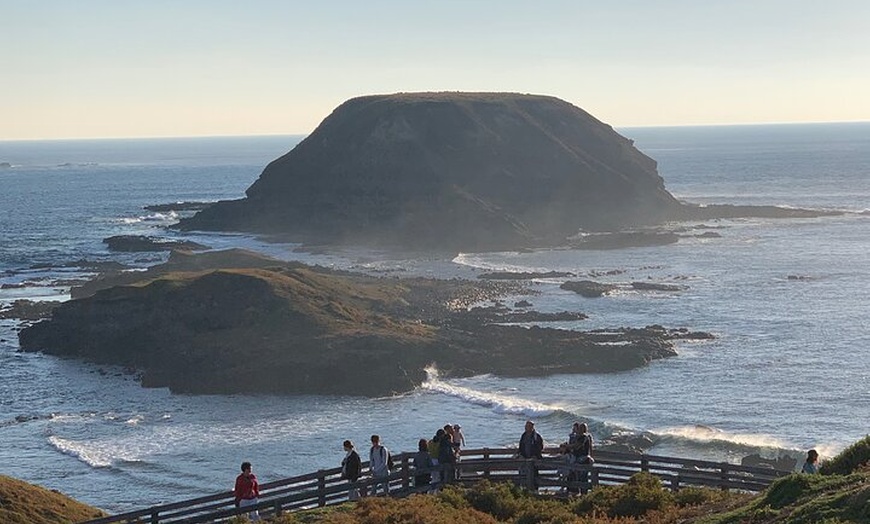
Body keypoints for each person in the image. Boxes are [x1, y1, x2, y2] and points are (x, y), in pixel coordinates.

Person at [517, 420, 544, 490]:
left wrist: (535, 456)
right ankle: (525, 488)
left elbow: (540, 447)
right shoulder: (524, 435)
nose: (526, 428)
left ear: (531, 427)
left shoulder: (536, 436)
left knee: (534, 474)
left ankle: (535, 489)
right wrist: (521, 454)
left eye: (527, 426)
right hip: (525, 458)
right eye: (525, 426)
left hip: (533, 459)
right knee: (523, 473)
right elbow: (521, 446)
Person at [568, 422, 593, 494]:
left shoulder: (584, 437)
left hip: (583, 460)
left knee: (583, 477)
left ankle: (584, 493)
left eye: (581, 428)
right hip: (580, 460)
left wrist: (567, 446)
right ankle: (578, 491)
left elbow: (577, 446)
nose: (579, 430)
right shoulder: (579, 437)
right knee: (578, 476)